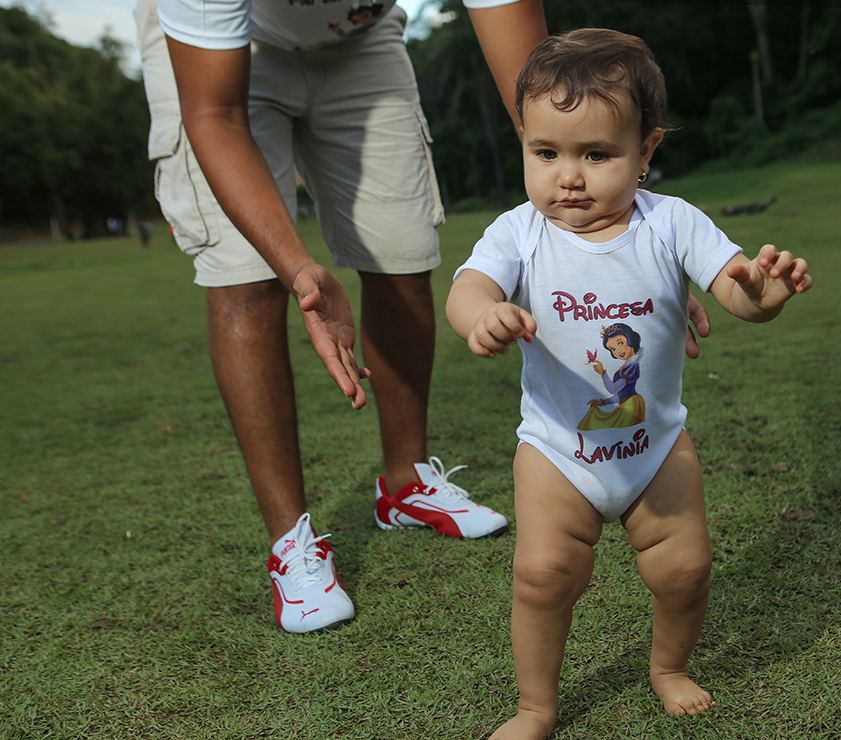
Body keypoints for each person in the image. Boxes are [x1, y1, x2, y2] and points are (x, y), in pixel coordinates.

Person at [445, 28, 813, 740]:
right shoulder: (520, 232)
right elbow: (469, 286)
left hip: (656, 447)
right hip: (557, 451)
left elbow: (734, 288)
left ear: (645, 151)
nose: (568, 177)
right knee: (544, 576)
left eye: (596, 155)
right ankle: (535, 703)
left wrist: (763, 296)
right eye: (545, 153)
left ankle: (668, 667)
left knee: (685, 569)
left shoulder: (671, 222)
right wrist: (481, 315)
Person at [133, 0, 550, 634]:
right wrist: (297, 267)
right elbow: (215, 115)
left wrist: (610, 234)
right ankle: (290, 543)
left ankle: (406, 485)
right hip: (221, 62)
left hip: (360, 41)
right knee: (248, 281)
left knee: (403, 256)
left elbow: (539, 96)